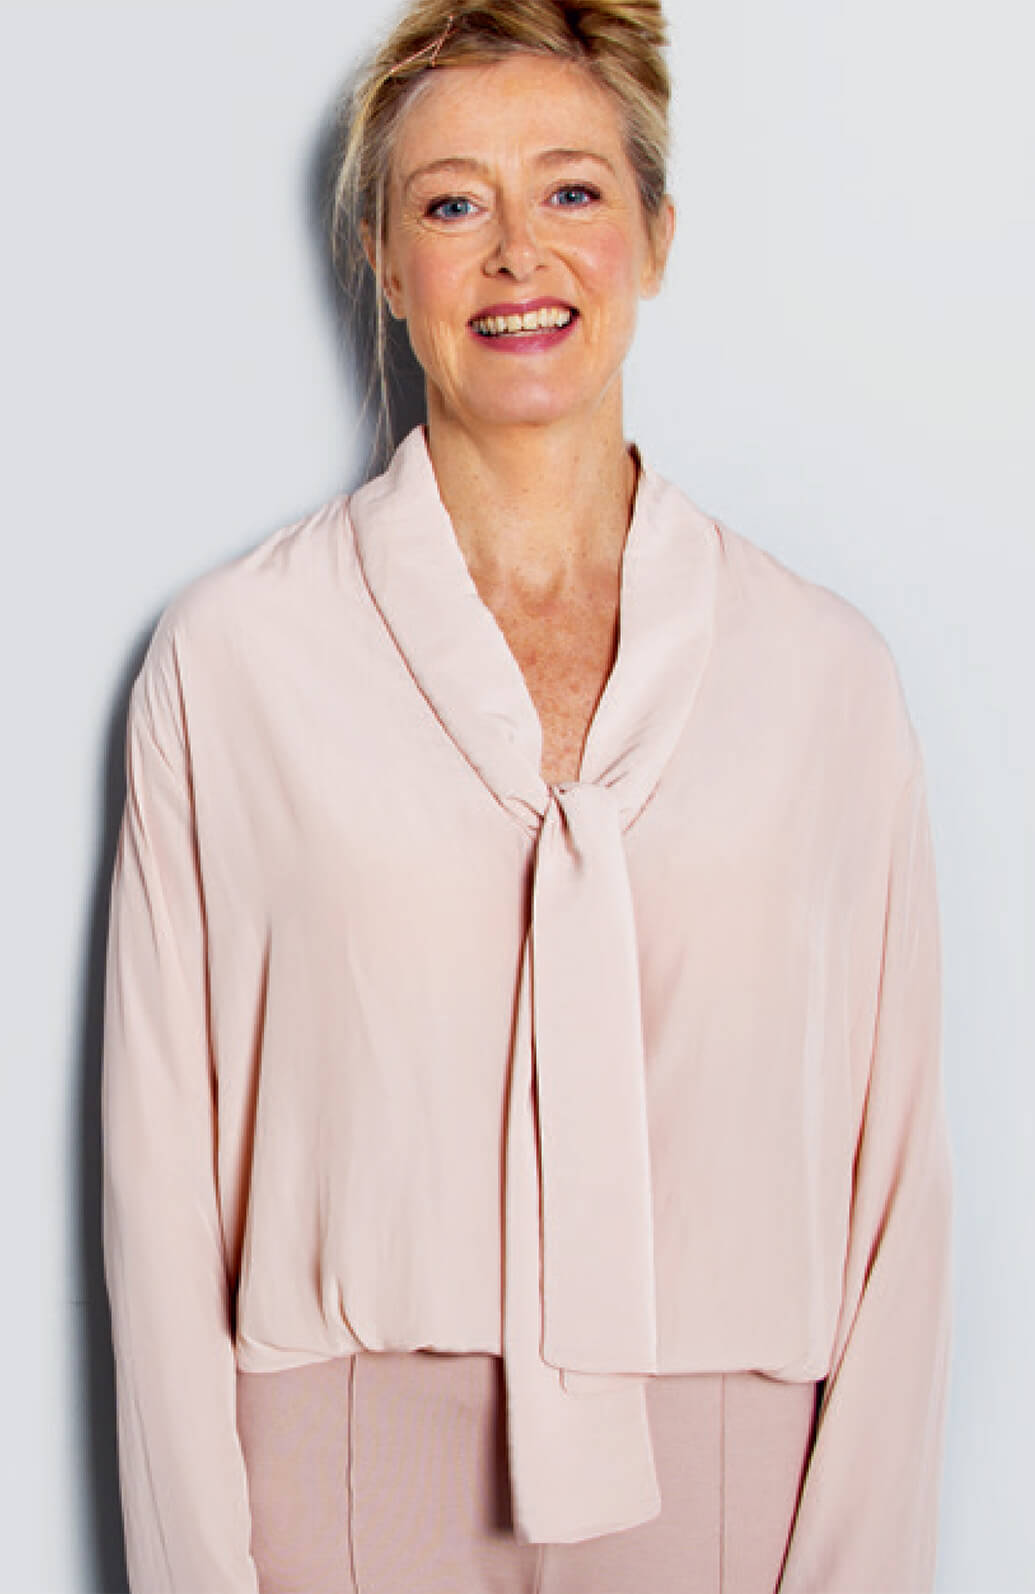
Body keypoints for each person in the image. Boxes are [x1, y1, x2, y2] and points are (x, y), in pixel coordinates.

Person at [100, 2, 953, 1591]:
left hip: (731, 1498)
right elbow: (158, 1196)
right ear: (380, 257)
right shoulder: (236, 664)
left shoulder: (826, 682)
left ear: (657, 236)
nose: (517, 254)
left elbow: (900, 1198)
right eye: (451, 203)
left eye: (571, 190)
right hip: (338, 1490)